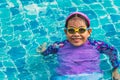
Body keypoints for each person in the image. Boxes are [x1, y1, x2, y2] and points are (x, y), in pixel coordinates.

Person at [37, 12, 120, 80]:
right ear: (66, 32)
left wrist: (115, 69)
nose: (76, 34)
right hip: (64, 77)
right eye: (71, 30)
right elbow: (46, 52)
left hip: (92, 76)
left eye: (81, 30)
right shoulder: (59, 46)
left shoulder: (97, 45)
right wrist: (43, 50)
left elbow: (113, 52)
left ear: (89, 32)